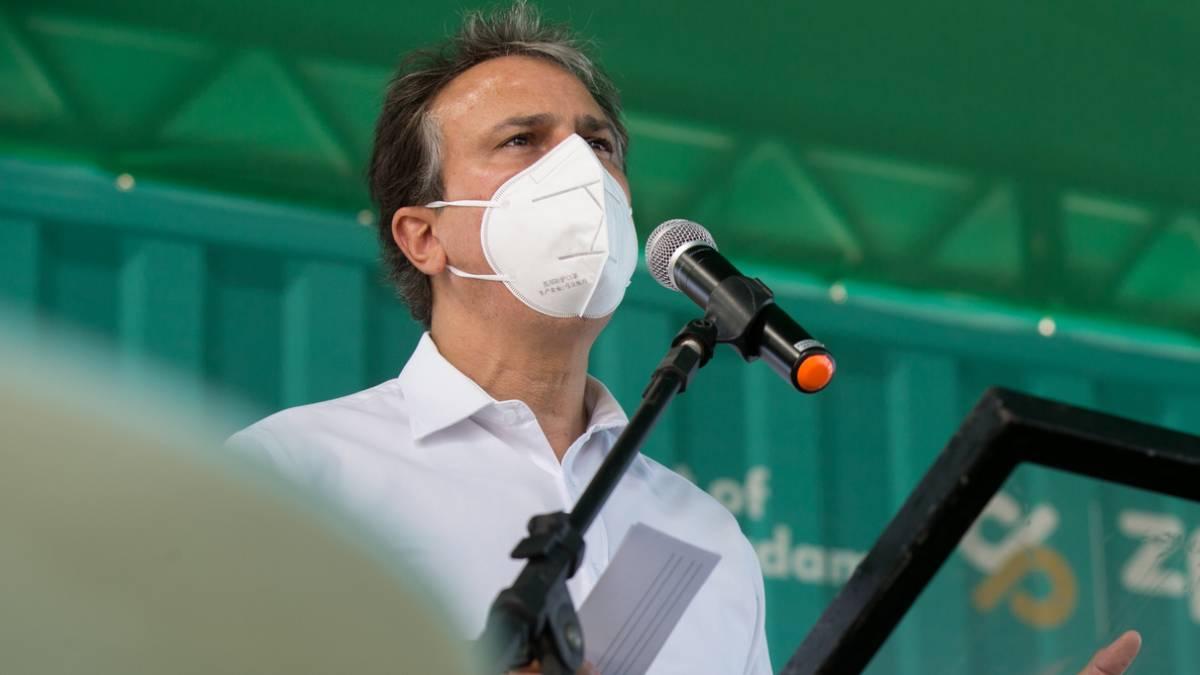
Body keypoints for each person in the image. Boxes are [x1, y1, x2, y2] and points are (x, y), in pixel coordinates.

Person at [228, 3, 1140, 674]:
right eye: (522, 140)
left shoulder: (703, 535)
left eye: (600, 145)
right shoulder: (294, 478)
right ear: (423, 235)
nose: (579, 171)